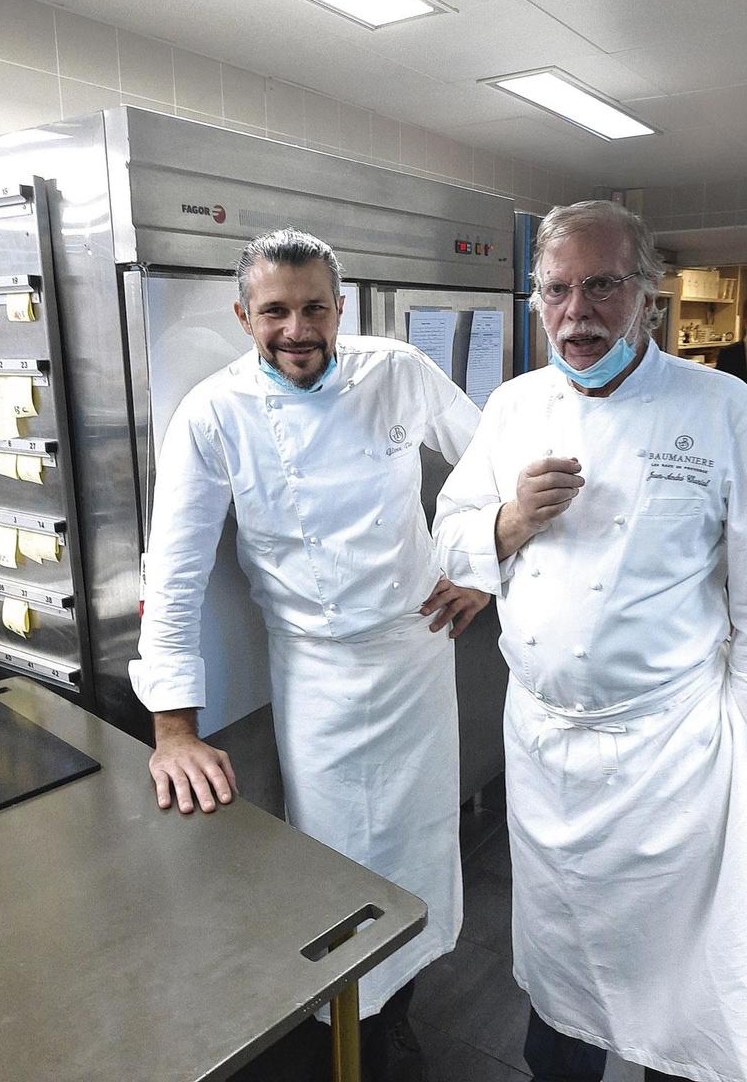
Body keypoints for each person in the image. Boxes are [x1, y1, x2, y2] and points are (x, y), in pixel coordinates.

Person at [433, 201, 747, 1082]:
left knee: (683, 985)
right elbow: (451, 538)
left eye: (602, 284)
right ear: (537, 302)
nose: (579, 311)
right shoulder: (515, 405)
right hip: (543, 748)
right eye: (558, 289)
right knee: (561, 964)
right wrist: (512, 519)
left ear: (645, 294)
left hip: (669, 756)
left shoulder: (720, 409)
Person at [129, 227, 489, 1082]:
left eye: (315, 308)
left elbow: (491, 462)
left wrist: (483, 570)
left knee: (423, 839)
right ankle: (343, 1021)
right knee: (334, 859)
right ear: (243, 314)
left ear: (342, 307)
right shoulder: (213, 414)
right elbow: (172, 577)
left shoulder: (396, 370)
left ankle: (396, 1011)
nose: (299, 330)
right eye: (276, 311)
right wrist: (173, 732)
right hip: (316, 670)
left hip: (416, 652)